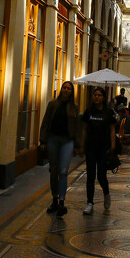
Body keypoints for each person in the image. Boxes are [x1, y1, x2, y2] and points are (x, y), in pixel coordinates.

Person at [39, 80, 81, 217]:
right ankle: (54, 199)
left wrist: (77, 145)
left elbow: (76, 127)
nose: (66, 90)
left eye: (69, 88)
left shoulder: (74, 107)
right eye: (64, 88)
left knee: (63, 171)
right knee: (53, 171)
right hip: (53, 140)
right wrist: (43, 140)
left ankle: (62, 200)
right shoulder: (52, 105)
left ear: (71, 91)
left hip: (67, 141)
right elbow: (45, 122)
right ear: (61, 89)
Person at [81, 87, 116, 215]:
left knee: (101, 176)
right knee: (90, 175)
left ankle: (106, 193)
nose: (96, 97)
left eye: (99, 95)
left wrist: (112, 146)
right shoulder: (88, 112)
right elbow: (84, 129)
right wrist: (81, 145)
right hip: (90, 148)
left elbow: (112, 129)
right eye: (95, 95)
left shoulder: (108, 112)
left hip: (103, 149)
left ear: (103, 97)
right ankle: (89, 202)